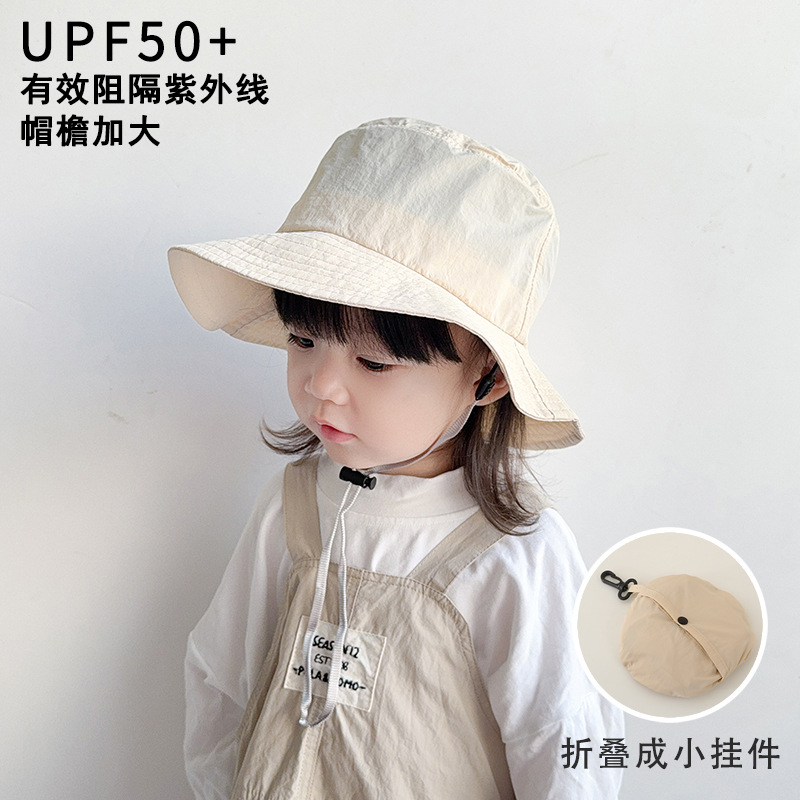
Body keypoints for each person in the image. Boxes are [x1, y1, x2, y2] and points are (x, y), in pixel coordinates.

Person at [169, 117, 623, 799]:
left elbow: (562, 746)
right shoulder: (294, 507)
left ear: (486, 376)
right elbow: (220, 676)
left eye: (375, 362)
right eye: (303, 340)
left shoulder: (514, 556)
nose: (322, 385)